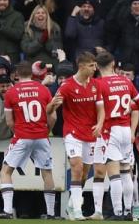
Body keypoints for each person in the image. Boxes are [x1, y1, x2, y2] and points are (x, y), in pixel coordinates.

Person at [0, 61, 58, 219]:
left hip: (22, 136)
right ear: (32, 74)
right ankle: (51, 213)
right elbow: (53, 116)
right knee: (47, 173)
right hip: (42, 137)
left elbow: (9, 121)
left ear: (15, 75)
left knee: (6, 171)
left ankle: (7, 211)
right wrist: (46, 131)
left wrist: (18, 134)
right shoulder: (44, 89)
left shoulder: (11, 93)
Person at [49, 51, 105, 220]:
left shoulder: (96, 85)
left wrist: (100, 124)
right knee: (77, 167)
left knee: (84, 173)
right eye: (91, 65)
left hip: (90, 133)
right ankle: (77, 211)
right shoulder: (66, 86)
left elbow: (101, 109)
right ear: (81, 66)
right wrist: (52, 105)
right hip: (72, 132)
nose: (95, 68)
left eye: (95, 65)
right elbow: (49, 110)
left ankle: (72, 205)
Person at [93, 51, 139, 219]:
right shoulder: (125, 81)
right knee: (125, 172)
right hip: (125, 130)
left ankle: (118, 212)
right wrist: (127, 108)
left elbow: (95, 108)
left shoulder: (98, 84)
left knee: (114, 174)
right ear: (113, 64)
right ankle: (129, 212)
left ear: (97, 66)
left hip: (110, 131)